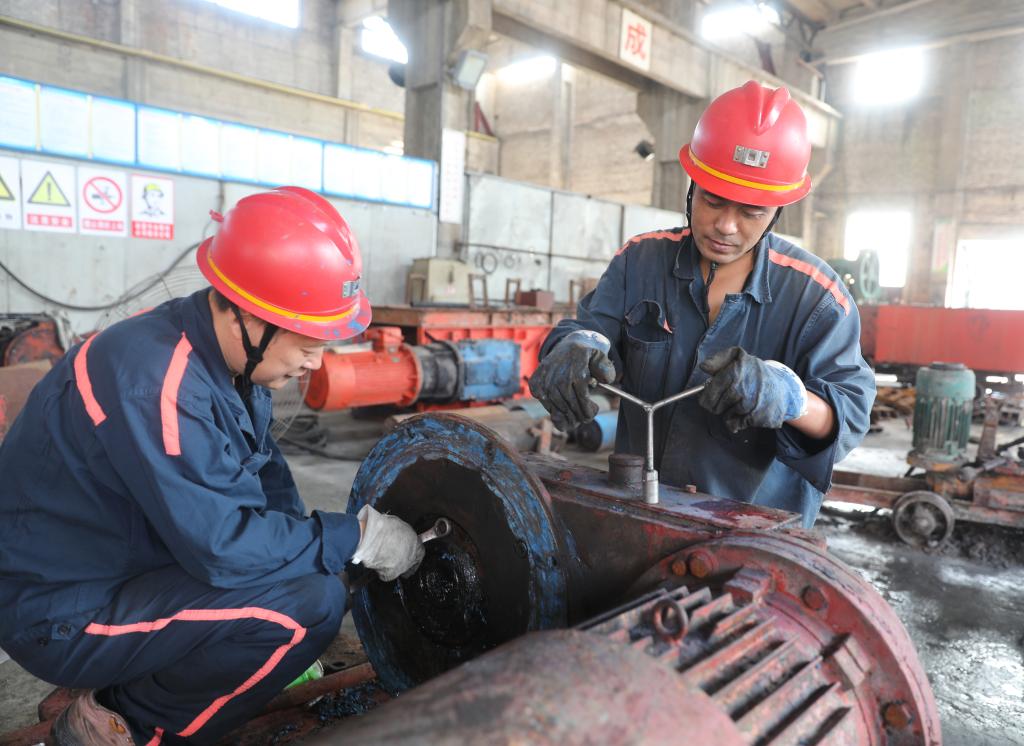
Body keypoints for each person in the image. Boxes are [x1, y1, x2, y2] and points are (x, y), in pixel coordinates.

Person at [0, 187, 425, 744]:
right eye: (306, 343)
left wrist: (320, 549)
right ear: (246, 316)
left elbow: (268, 480)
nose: (314, 363)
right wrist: (357, 537)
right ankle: (120, 724)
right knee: (305, 610)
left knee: (313, 572)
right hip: (60, 612)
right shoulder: (159, 383)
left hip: (124, 564)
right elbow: (223, 547)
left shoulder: (224, 360)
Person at [530, 81, 875, 528]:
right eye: (713, 200)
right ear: (692, 187)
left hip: (751, 535)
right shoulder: (640, 260)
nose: (725, 226)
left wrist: (789, 397)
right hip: (638, 515)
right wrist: (576, 346)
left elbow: (848, 419)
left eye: (751, 212)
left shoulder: (817, 298)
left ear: (777, 212)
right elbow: (592, 329)